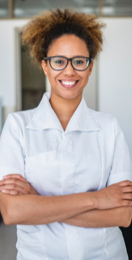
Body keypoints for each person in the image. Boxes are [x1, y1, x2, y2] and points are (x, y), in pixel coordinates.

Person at [0, 8, 132, 260]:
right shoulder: (17, 126)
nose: (69, 71)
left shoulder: (109, 128)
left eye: (79, 61)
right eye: (59, 61)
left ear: (90, 67)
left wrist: (38, 202)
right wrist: (98, 198)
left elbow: (123, 216)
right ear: (45, 66)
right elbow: (13, 212)